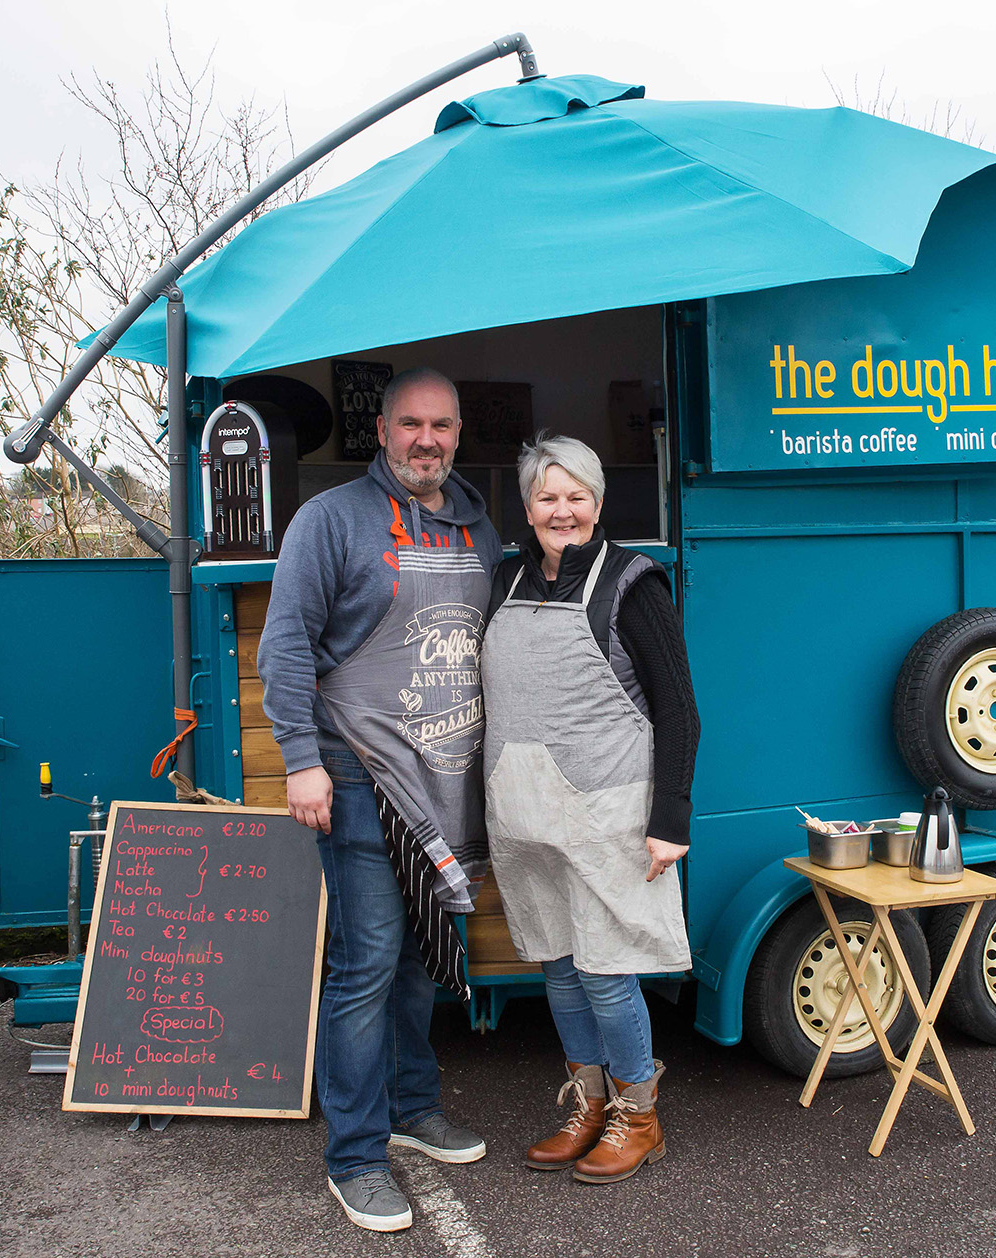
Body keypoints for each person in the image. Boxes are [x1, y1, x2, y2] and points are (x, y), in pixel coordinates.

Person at [258, 367, 503, 1233]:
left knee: (418, 958)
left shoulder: (478, 525)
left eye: (441, 426)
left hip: (446, 778)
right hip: (359, 775)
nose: (425, 440)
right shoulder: (331, 520)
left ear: (458, 433)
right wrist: (299, 759)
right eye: (410, 424)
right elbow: (285, 643)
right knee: (366, 965)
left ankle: (411, 1106)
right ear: (383, 432)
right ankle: (356, 1156)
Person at [480, 433, 700, 1185]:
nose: (562, 510)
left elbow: (679, 710)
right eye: (547, 496)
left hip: (609, 812)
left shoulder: (632, 584)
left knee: (607, 972)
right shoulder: (506, 579)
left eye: (577, 496)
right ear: (528, 507)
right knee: (561, 969)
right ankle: (589, 1105)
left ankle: (639, 1117)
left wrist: (670, 819)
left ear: (598, 504)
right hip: (526, 813)